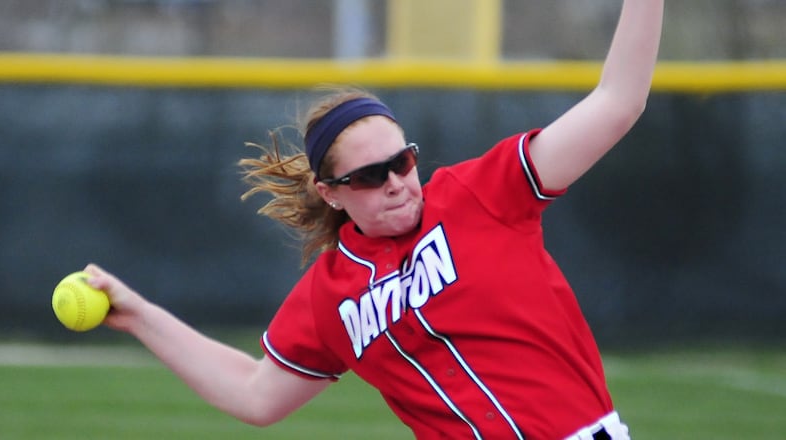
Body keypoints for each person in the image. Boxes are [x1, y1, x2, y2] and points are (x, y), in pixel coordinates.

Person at [83, 1, 663, 438]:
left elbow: (618, 100)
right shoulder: (332, 293)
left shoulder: (481, 193)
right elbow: (254, 395)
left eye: (402, 161)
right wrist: (138, 314)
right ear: (330, 193)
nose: (394, 182)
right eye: (367, 176)